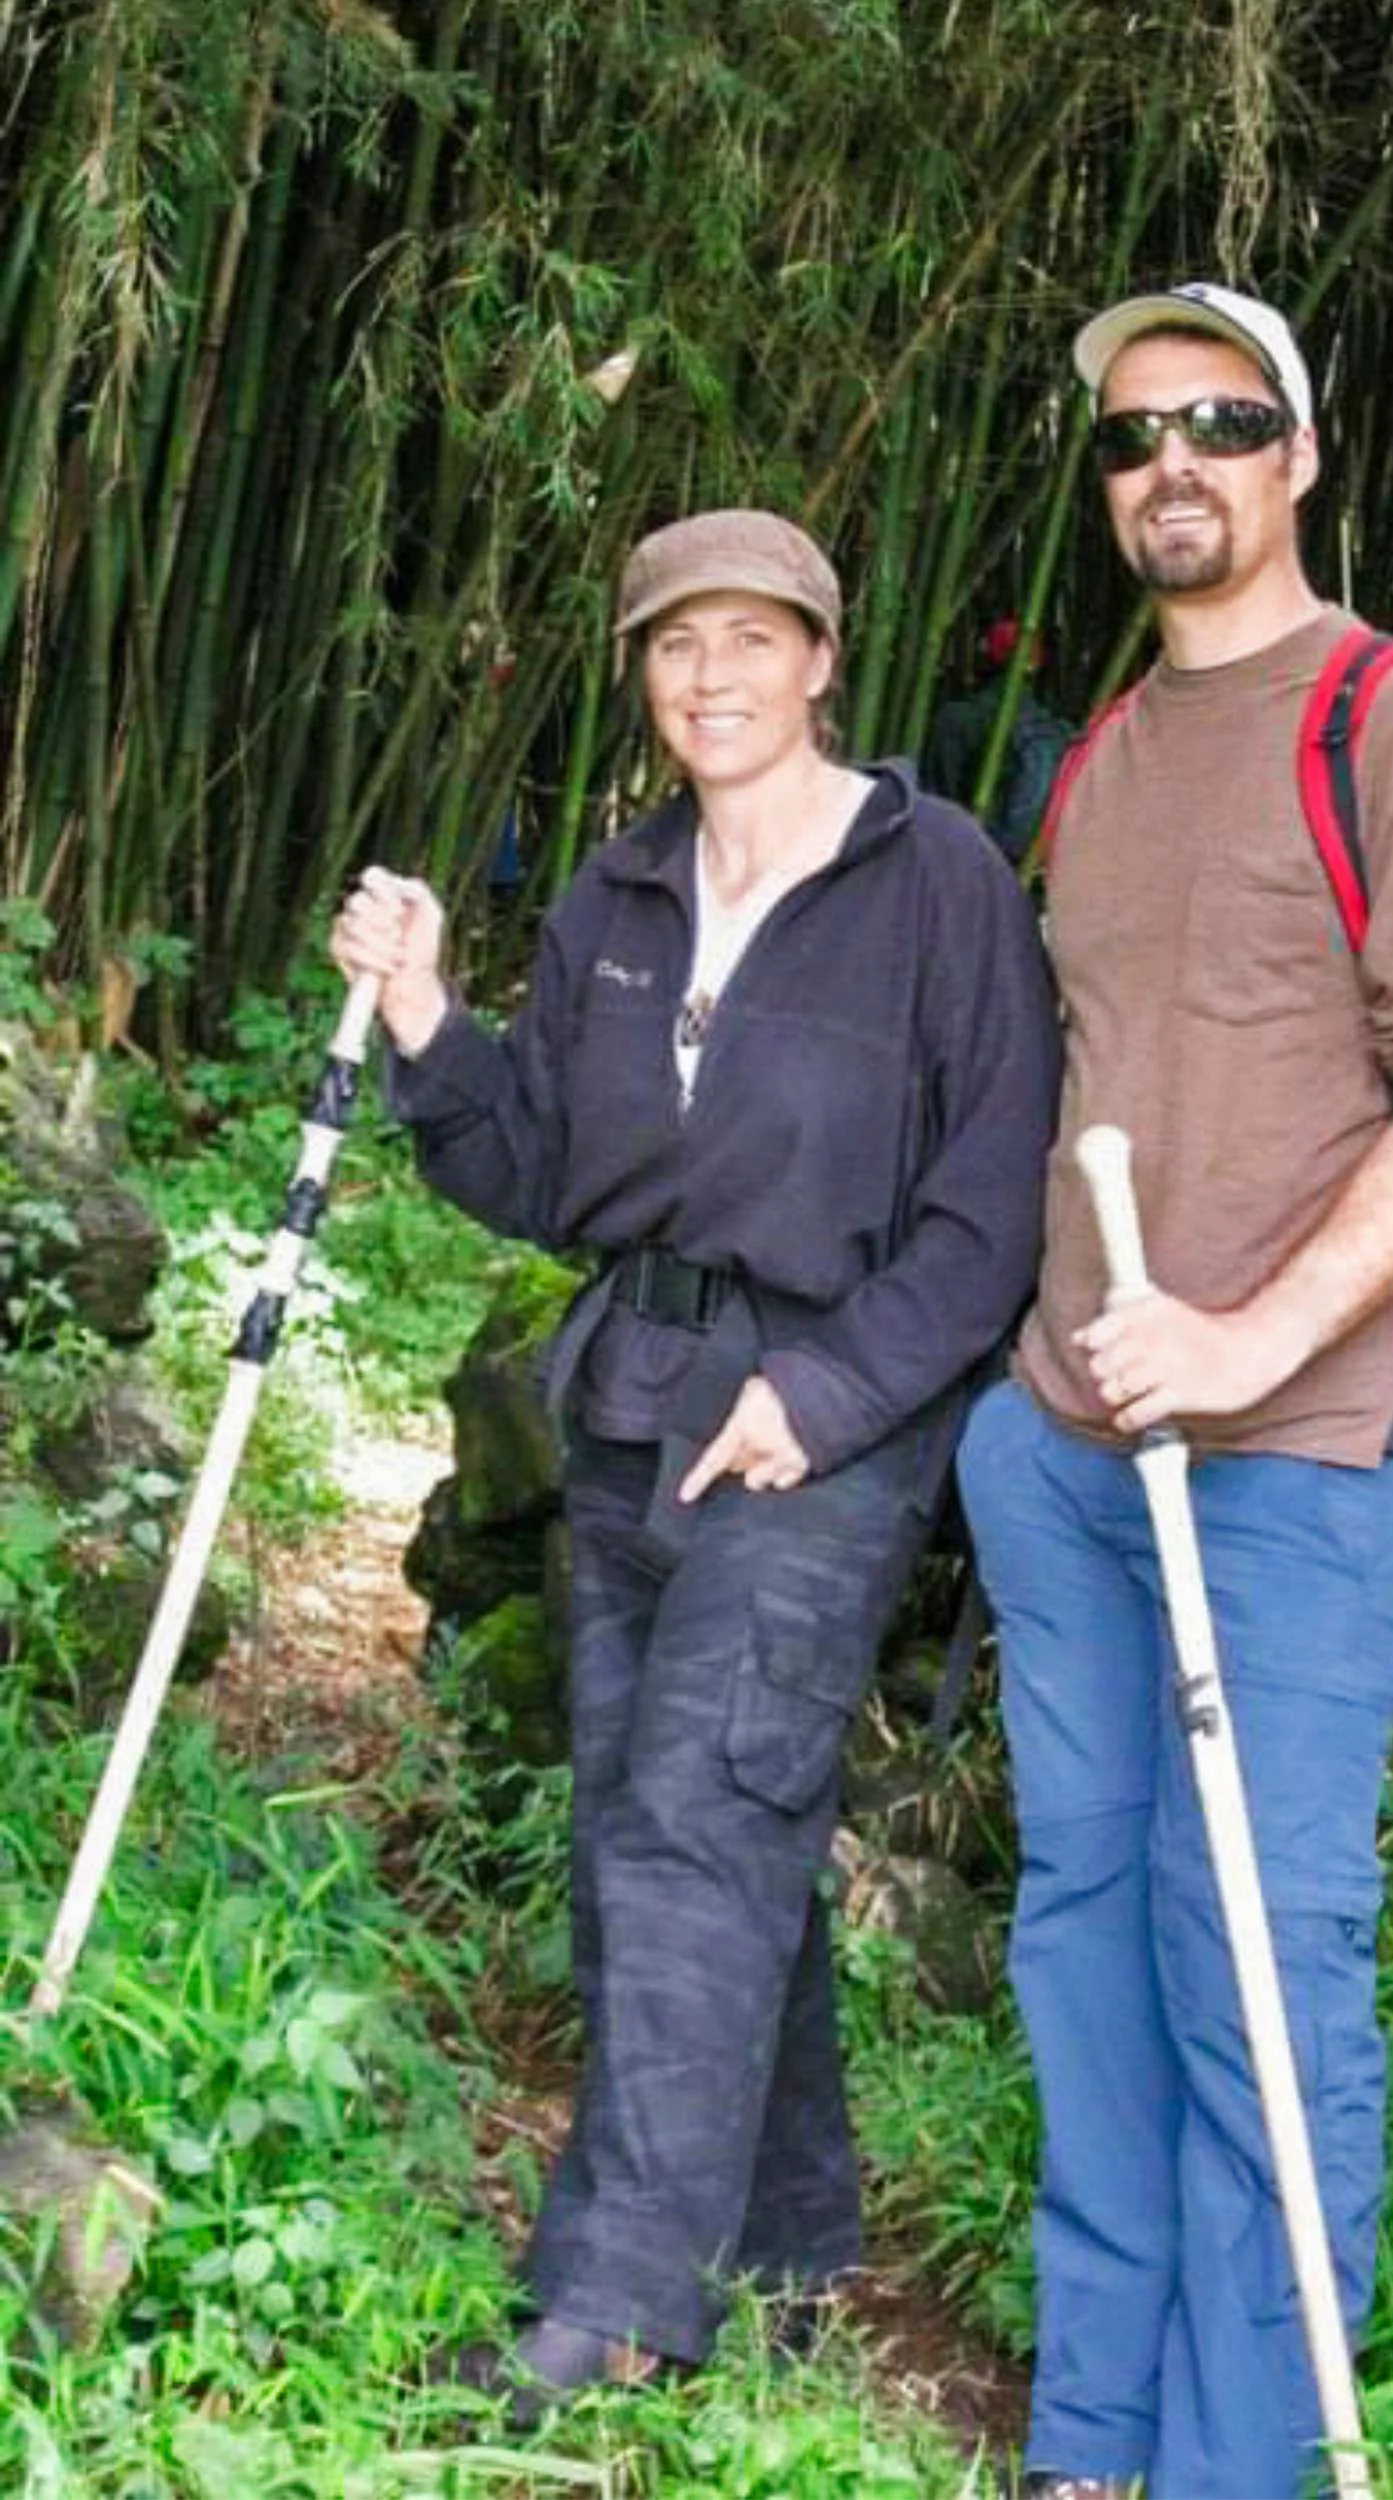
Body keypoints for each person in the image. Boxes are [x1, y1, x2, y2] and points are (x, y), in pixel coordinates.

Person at [330, 507, 1060, 2422]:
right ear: (646, 678)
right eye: (677, 646)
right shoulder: (620, 893)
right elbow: (538, 1175)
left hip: (825, 1413)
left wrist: (823, 1402)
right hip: (632, 1398)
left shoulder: (943, 884)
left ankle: (615, 2306)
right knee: (676, 1836)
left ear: (824, 659)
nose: (713, 678)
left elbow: (989, 1217)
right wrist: (425, 1018)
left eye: (753, 640)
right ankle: (794, 2249)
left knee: (689, 1827)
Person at [956, 283, 1393, 2499]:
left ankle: (1243, 2461)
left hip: (1300, 1461)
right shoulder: (1100, 754)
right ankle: (1090, 2437)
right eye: (1130, 439)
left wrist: (1243, 1339)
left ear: (1300, 452)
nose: (1171, 466)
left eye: (1218, 421)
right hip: (1071, 1452)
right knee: (1084, 1939)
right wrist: (1028, 1406)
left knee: (1259, 1962)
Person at [923, 616, 1077, 868]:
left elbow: (936, 803)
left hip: (968, 860)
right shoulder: (1060, 732)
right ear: (1036, 665)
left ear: (985, 657)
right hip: (1032, 868)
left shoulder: (958, 720)